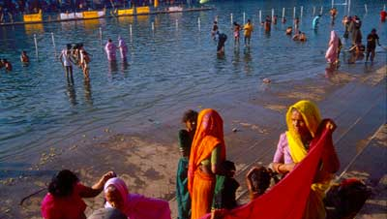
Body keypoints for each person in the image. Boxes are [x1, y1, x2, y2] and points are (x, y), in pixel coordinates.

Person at [271, 100, 340, 219]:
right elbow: (273, 164)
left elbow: (332, 168)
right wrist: (288, 167)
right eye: (293, 120)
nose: (295, 124)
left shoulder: (319, 141)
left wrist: (328, 138)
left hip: (314, 188)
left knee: (306, 199)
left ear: (310, 120)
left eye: (301, 121)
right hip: (290, 185)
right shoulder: (286, 138)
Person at [188, 109, 227, 219]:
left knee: (197, 210)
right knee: (205, 213)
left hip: (197, 178)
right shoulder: (215, 142)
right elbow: (215, 169)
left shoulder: (200, 138)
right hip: (207, 182)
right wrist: (227, 172)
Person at [41, 169, 116, 219]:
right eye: (73, 186)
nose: (76, 186)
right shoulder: (50, 207)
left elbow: (92, 192)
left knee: (114, 213)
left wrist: (103, 181)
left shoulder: (72, 187)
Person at [103, 177, 172, 219]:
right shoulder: (107, 210)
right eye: (111, 200)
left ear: (123, 194)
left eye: (118, 199)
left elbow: (163, 206)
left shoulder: (136, 202)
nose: (115, 204)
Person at [176, 110, 198, 219]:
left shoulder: (199, 133)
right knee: (184, 193)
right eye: (191, 121)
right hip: (186, 165)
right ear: (186, 122)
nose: (194, 123)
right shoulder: (183, 133)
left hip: (196, 164)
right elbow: (185, 153)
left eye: (196, 121)